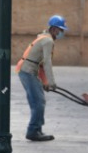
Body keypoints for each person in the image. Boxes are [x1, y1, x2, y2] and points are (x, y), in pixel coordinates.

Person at [15, 14, 67, 142]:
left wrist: (45, 82)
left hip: (27, 70)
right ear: (54, 29)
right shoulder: (48, 41)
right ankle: (33, 131)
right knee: (38, 102)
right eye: (61, 30)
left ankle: (37, 129)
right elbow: (47, 62)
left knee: (39, 101)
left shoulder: (44, 37)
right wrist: (51, 82)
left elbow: (42, 64)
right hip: (28, 71)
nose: (62, 33)